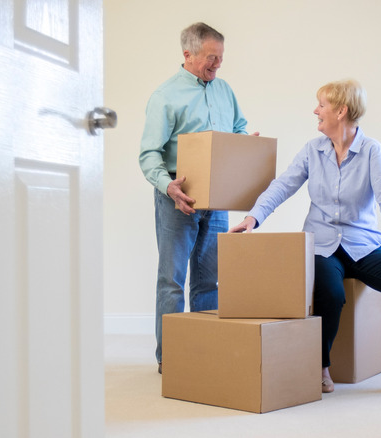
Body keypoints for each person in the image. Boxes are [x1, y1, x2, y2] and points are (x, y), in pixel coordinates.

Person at [229, 79, 381, 396]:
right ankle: (321, 367)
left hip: (363, 246)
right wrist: (252, 218)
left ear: (341, 111)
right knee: (330, 293)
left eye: (321, 104)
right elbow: (283, 185)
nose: (316, 110)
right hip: (322, 245)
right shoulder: (313, 150)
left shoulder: (371, 151)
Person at [139, 22, 256, 374]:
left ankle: (206, 348)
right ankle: (172, 357)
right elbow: (149, 154)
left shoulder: (224, 91)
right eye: (211, 58)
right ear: (188, 55)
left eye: (221, 58)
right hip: (179, 198)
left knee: (209, 280)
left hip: (216, 199)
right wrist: (168, 186)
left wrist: (247, 143)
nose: (217, 65)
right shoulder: (165, 96)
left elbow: (238, 129)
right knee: (172, 281)